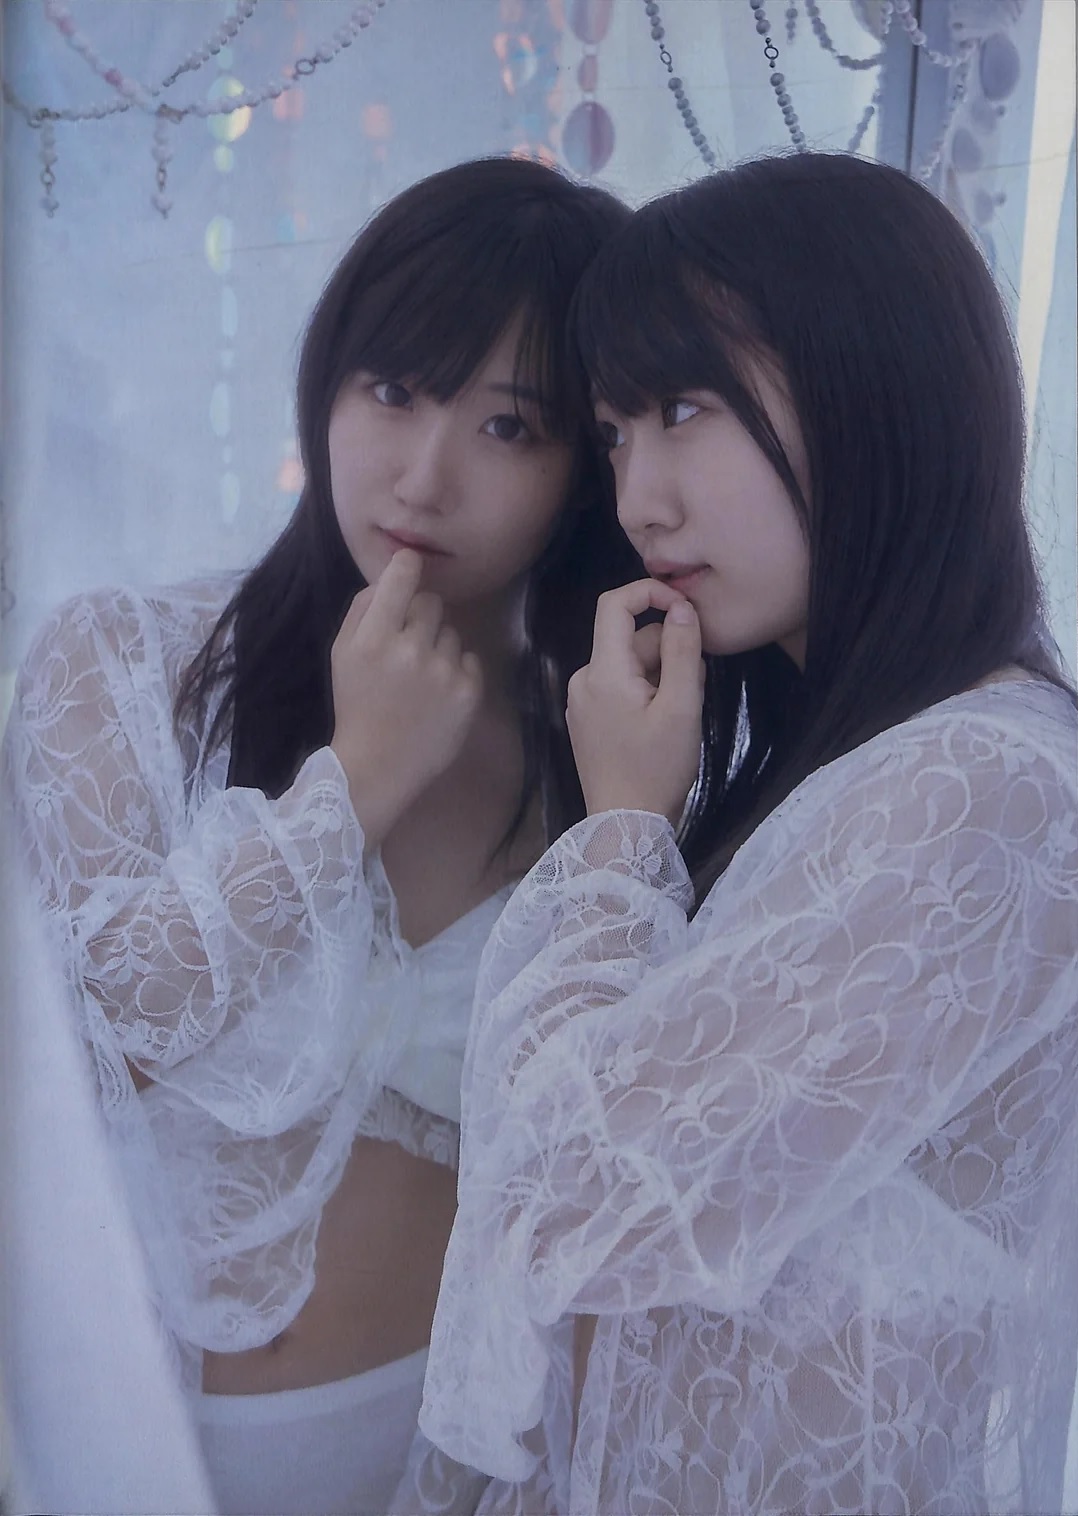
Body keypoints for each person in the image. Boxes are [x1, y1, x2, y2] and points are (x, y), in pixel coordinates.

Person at [419, 151, 1078, 1516]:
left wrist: (621, 833)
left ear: (874, 387)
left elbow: (576, 1202)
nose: (638, 498)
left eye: (683, 409)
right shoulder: (862, 767)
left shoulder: (984, 789)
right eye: (616, 434)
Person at [2, 156, 638, 1516]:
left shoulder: (598, 752)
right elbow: (101, 1032)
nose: (422, 474)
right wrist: (354, 784)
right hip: (127, 1445)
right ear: (327, 384)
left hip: (453, 1465)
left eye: (508, 427)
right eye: (392, 390)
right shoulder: (131, 662)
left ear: (588, 466)